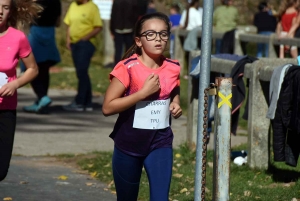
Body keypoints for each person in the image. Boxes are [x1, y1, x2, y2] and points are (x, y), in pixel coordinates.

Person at [102, 12, 182, 201]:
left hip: (160, 143)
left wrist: (176, 102)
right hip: (128, 144)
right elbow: (107, 107)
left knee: (161, 198)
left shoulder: (173, 67)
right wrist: (141, 94)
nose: (158, 39)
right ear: (138, 41)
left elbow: (174, 88)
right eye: (151, 34)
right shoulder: (127, 68)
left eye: (163, 34)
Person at [0, 0, 40, 181]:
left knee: (1, 170)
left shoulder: (17, 38)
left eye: (5, 7)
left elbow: (33, 69)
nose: (0, 11)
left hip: (5, 110)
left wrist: (15, 84)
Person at [22, 0, 61, 114]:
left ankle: (42, 96)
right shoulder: (56, 2)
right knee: (44, 68)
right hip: (50, 32)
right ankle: (41, 100)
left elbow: (28, 15)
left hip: (36, 32)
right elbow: (58, 22)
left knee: (30, 67)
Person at [63, 0, 103, 111]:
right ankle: (87, 102)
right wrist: (68, 39)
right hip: (74, 43)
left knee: (82, 71)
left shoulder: (92, 7)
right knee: (81, 72)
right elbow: (69, 24)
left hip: (86, 43)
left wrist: (84, 38)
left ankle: (80, 101)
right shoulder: (73, 5)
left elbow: (98, 27)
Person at [110, 0, 139, 66]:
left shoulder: (116, 2)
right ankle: (128, 66)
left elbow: (113, 15)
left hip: (118, 29)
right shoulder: (132, 2)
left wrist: (112, 29)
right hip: (129, 29)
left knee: (118, 50)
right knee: (129, 50)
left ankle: (117, 67)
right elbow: (135, 16)